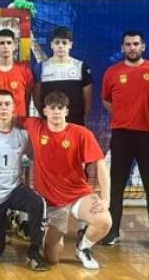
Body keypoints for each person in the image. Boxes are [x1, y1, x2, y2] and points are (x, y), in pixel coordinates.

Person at [16, 91, 111, 269]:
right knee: (52, 257)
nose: (56, 112)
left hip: (77, 194)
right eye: (52, 108)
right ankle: (48, 239)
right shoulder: (35, 126)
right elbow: (8, 118)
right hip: (52, 202)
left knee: (104, 220)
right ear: (45, 111)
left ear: (66, 111)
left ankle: (83, 248)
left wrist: (105, 199)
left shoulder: (81, 133)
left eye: (60, 108)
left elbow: (101, 165)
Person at [101, 30, 149, 248]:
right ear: (123, 48)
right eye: (128, 44)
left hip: (148, 135)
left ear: (143, 46)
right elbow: (106, 101)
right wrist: (124, 115)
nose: (132, 48)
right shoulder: (112, 72)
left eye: (136, 44)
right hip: (121, 135)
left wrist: (145, 116)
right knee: (117, 185)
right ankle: (112, 231)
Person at [0, 90, 48, 270]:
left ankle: (34, 250)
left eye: (7, 104)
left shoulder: (23, 135)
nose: (3, 108)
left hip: (13, 189)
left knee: (37, 203)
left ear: (14, 107)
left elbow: (33, 158)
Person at [32, 26, 93, 125]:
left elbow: (87, 101)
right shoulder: (40, 68)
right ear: (51, 44)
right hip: (49, 124)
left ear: (70, 45)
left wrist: (82, 118)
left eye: (64, 43)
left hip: (75, 123)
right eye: (57, 42)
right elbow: (37, 99)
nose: (60, 46)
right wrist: (44, 117)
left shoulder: (81, 67)